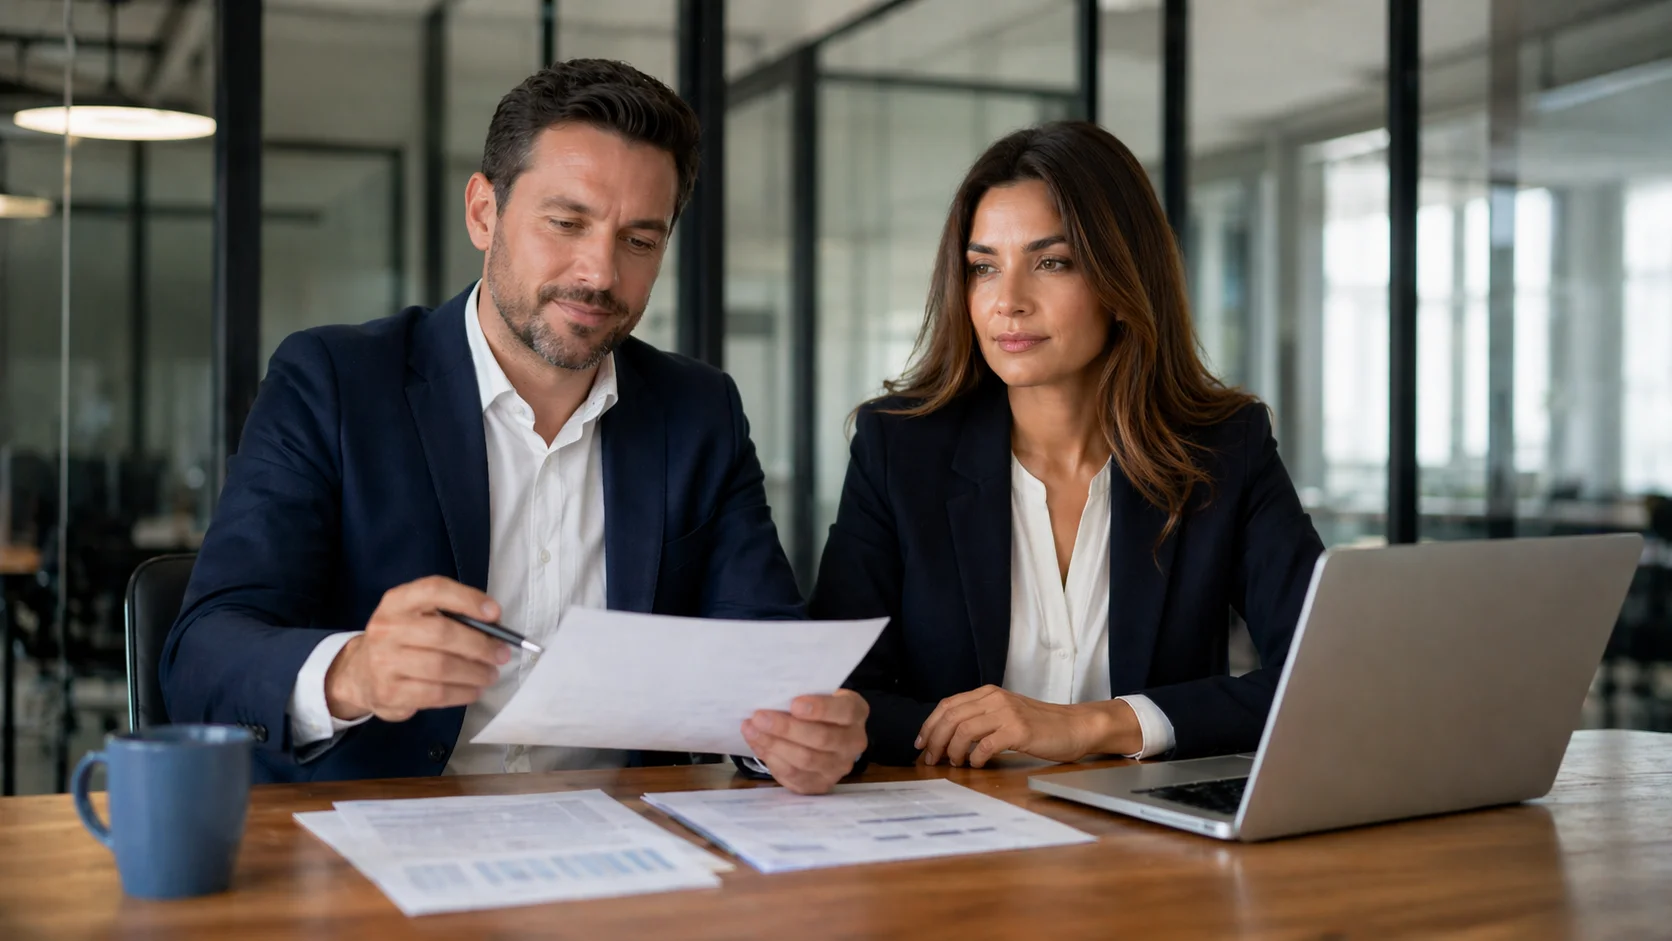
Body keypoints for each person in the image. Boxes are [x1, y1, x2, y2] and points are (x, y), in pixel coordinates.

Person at [161, 59, 866, 793]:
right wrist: (352, 672)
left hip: (625, 848)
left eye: (639, 241)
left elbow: (767, 664)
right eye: (567, 222)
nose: (599, 272)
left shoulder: (698, 413)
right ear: (483, 213)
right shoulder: (333, 383)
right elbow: (202, 655)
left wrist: (797, 736)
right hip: (377, 839)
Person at [810, 121, 1323, 769]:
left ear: (1121, 277)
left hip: (1148, 839)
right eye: (983, 268)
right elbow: (841, 695)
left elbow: (1322, 674)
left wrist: (1099, 724)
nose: (1008, 302)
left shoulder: (1224, 448)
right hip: (957, 834)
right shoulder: (898, 449)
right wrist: (988, 740)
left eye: (1052, 262)